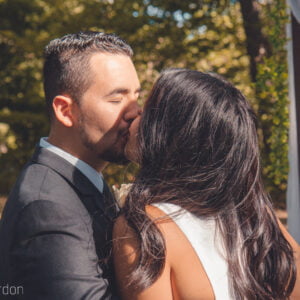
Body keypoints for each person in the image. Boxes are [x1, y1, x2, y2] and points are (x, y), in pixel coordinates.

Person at [113, 69, 300, 299]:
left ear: (172, 135)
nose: (135, 115)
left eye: (149, 111)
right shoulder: (261, 222)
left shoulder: (146, 228)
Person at [0, 31, 141, 299]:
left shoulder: (84, 183)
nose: (135, 112)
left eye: (136, 97)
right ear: (66, 111)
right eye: (116, 99)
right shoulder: (47, 206)